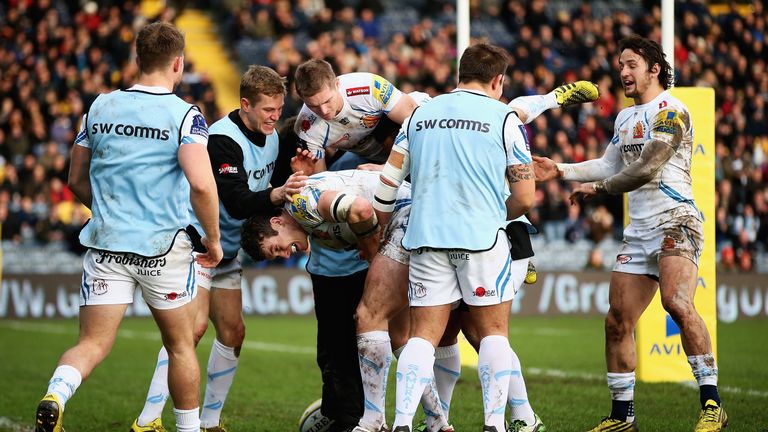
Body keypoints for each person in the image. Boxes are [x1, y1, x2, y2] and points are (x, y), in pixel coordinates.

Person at [34, 22, 223, 432]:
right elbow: (202, 185)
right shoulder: (185, 116)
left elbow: (75, 179)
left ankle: (55, 395)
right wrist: (213, 237)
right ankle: (189, 429)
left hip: (106, 244)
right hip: (162, 249)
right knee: (179, 345)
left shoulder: (98, 107)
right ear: (179, 63)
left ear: (137, 60)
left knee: (92, 343)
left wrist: (105, 211)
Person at [533, 35, 726, 432]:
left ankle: (712, 404)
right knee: (617, 321)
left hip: (676, 220)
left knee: (676, 302)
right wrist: (562, 170)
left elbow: (646, 168)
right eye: (620, 65)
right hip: (639, 232)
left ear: (655, 68)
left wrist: (598, 191)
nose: (622, 72)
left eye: (631, 64)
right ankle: (623, 417)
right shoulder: (624, 118)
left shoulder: (672, 111)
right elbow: (609, 164)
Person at [129, 65, 307, 432]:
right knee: (190, 333)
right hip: (197, 245)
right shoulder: (221, 140)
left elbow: (265, 188)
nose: (275, 117)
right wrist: (277, 193)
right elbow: (238, 200)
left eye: (279, 108)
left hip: (227, 251)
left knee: (233, 332)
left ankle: (209, 422)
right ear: (245, 104)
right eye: (267, 110)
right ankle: (147, 420)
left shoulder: (271, 135)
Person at [373, 42, 539, 432]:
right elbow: (526, 196)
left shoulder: (419, 116)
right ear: (498, 80)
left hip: (426, 238)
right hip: (482, 239)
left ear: (459, 74)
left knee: (422, 338)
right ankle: (495, 425)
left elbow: (387, 182)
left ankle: (401, 424)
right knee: (493, 333)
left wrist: (377, 228)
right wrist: (498, 215)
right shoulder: (504, 118)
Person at [290, 58, 599, 175]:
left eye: (327, 102)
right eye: (314, 106)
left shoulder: (368, 87)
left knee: (487, 119)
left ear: (337, 84)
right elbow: (320, 180)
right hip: (368, 154)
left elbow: (413, 121)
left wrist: (388, 168)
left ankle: (549, 99)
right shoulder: (308, 124)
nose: (324, 111)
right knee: (340, 181)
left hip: (412, 128)